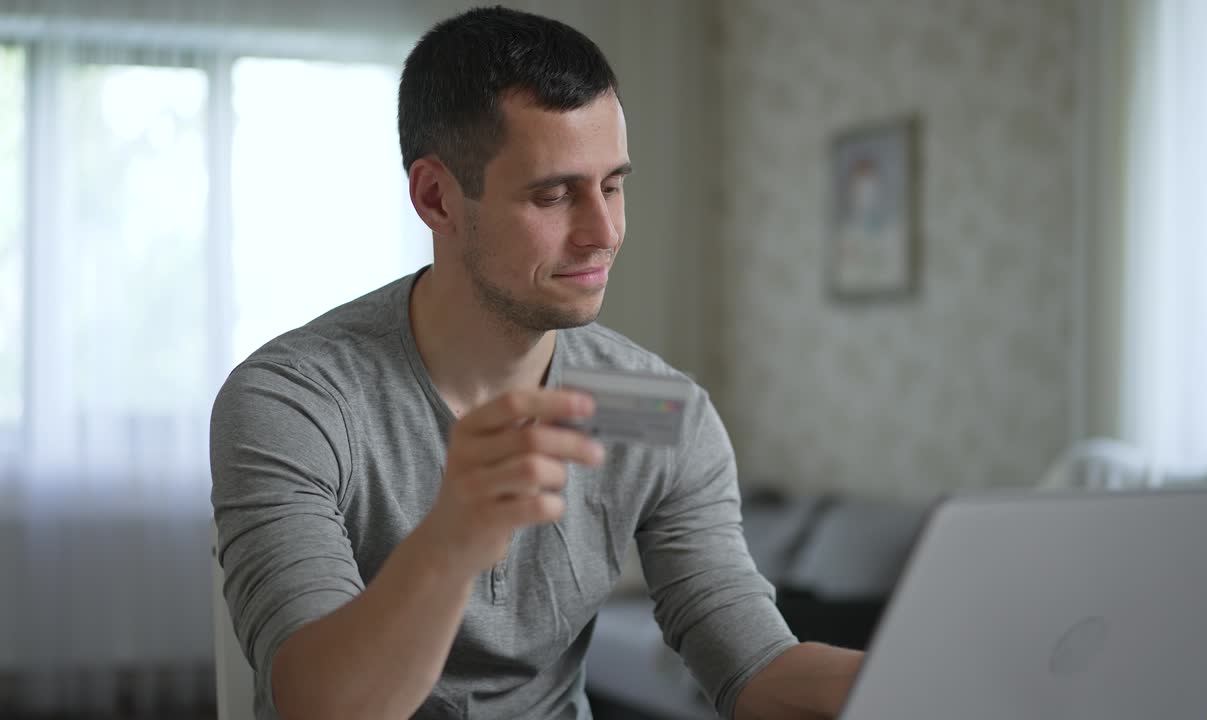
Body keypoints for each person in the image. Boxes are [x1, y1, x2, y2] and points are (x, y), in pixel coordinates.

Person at [210, 7, 863, 720]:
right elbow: (318, 708)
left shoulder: (651, 409)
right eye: (553, 194)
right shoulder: (297, 402)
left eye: (613, 185)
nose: (604, 233)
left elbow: (755, 668)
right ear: (437, 198)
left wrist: (922, 673)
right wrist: (453, 539)